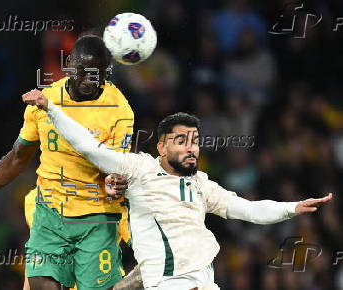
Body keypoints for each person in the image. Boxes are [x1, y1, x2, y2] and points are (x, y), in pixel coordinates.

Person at [21, 92, 333, 290]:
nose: (190, 148)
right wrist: (52, 109)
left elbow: (249, 210)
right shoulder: (140, 170)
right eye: (181, 141)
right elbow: (90, 148)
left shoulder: (202, 185)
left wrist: (292, 207)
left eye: (194, 140)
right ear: (161, 146)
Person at [0, 35, 135, 290]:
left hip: (96, 218)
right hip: (51, 213)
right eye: (83, 71)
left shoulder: (119, 110)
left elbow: (118, 167)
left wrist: (117, 181)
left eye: (97, 73)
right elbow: (17, 159)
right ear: (70, 64)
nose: (90, 79)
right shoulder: (43, 102)